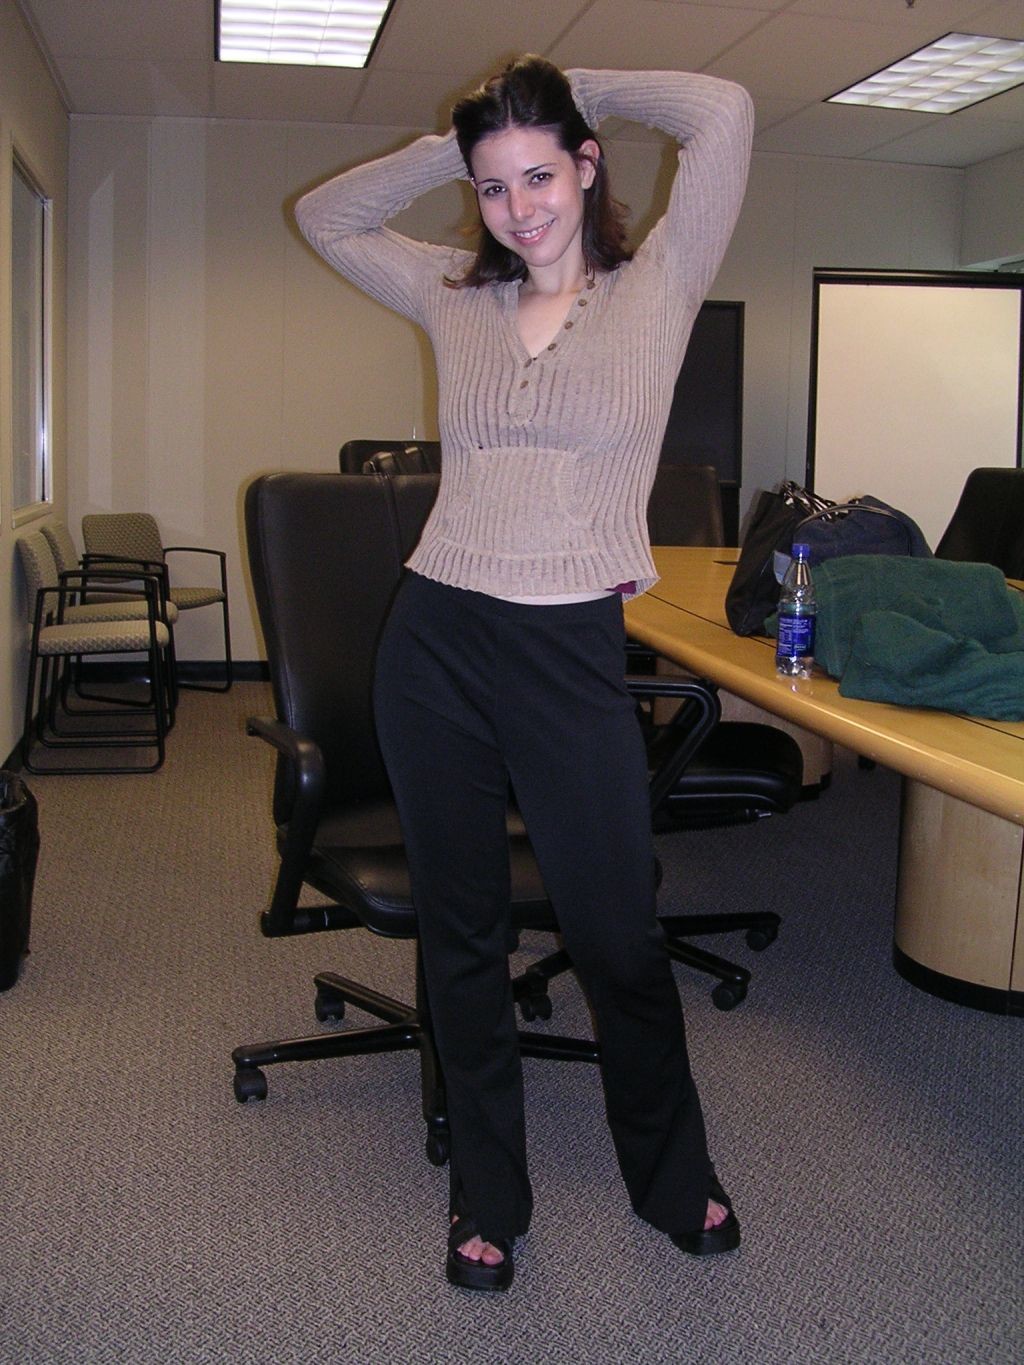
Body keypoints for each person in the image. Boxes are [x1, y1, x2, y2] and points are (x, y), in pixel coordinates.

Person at [295, 56, 753, 1293]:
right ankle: (486, 1193)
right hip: (436, 639)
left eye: (539, 175)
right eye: (492, 187)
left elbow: (723, 111)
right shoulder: (455, 292)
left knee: (615, 932)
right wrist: (452, 143)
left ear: (587, 164)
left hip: (565, 649)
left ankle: (673, 1174)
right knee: (463, 935)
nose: (518, 209)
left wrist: (569, 81)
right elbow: (324, 217)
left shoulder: (660, 283)